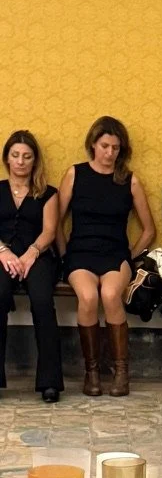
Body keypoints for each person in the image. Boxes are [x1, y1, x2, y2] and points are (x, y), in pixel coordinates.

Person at [59, 116, 155, 397]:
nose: (110, 153)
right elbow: (56, 221)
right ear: (93, 144)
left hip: (115, 254)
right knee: (88, 297)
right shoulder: (74, 174)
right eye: (105, 146)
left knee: (111, 295)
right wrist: (65, 255)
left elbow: (149, 230)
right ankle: (92, 372)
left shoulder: (130, 180)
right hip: (80, 254)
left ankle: (121, 371)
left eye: (115, 147)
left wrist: (130, 255)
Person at [0, 131, 63, 402]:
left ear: (34, 160)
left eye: (26, 156)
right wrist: (3, 251)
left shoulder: (47, 193)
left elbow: (50, 231)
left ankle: (50, 383)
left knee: (41, 300)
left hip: (38, 256)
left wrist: (30, 254)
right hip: (2, 256)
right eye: (15, 155)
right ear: (7, 158)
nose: (21, 161)